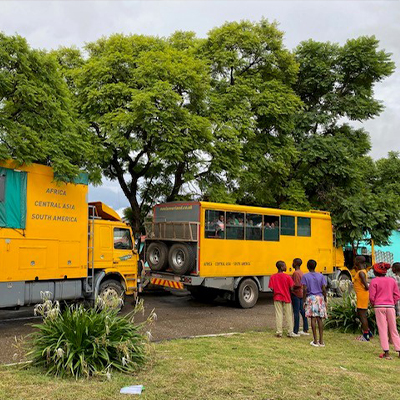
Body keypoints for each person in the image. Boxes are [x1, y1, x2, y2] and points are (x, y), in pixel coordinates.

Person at [369, 262, 400, 359]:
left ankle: (386, 352)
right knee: (393, 329)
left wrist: (374, 303)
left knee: (383, 329)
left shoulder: (374, 281)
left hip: (379, 306)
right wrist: (392, 302)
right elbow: (397, 295)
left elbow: (371, 297)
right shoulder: (391, 281)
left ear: (375, 272)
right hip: (390, 307)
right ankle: (399, 351)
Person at [301, 259, 328, 347]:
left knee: (313, 318)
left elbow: (304, 289)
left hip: (311, 298)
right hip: (320, 297)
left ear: (307, 267)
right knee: (320, 318)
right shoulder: (321, 276)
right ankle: (321, 341)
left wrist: (304, 300)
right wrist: (325, 300)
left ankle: (315, 340)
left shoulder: (305, 276)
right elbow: (324, 289)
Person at [268, 261, 296, 338]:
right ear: (281, 267)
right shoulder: (287, 277)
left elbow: (271, 288)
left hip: (277, 297)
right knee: (288, 315)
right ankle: (290, 332)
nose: (286, 267)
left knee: (278, 314)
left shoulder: (273, 277)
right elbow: (292, 288)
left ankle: (279, 332)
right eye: (284, 266)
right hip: (286, 297)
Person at [353, 256, 371, 341]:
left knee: (362, 315)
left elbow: (366, 286)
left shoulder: (361, 273)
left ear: (358, 261)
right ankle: (368, 331)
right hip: (361, 295)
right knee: (359, 314)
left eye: (355, 260)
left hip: (362, 295)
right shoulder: (361, 271)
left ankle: (366, 335)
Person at [291, 258, 309, 337]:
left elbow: (297, 284)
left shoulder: (295, 273)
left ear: (295, 263)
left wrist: (291, 288)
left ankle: (296, 330)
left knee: (296, 312)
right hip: (301, 294)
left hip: (296, 294)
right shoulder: (301, 272)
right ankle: (305, 328)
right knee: (303, 311)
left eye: (293, 262)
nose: (292, 264)